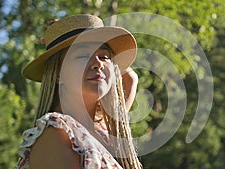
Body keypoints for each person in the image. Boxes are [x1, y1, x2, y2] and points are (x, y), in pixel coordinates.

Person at [16, 14, 141, 169]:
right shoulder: (56, 134)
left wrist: (69, 32)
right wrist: (65, 36)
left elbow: (131, 79)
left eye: (103, 56)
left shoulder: (104, 131)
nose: (98, 64)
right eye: (82, 55)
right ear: (57, 74)